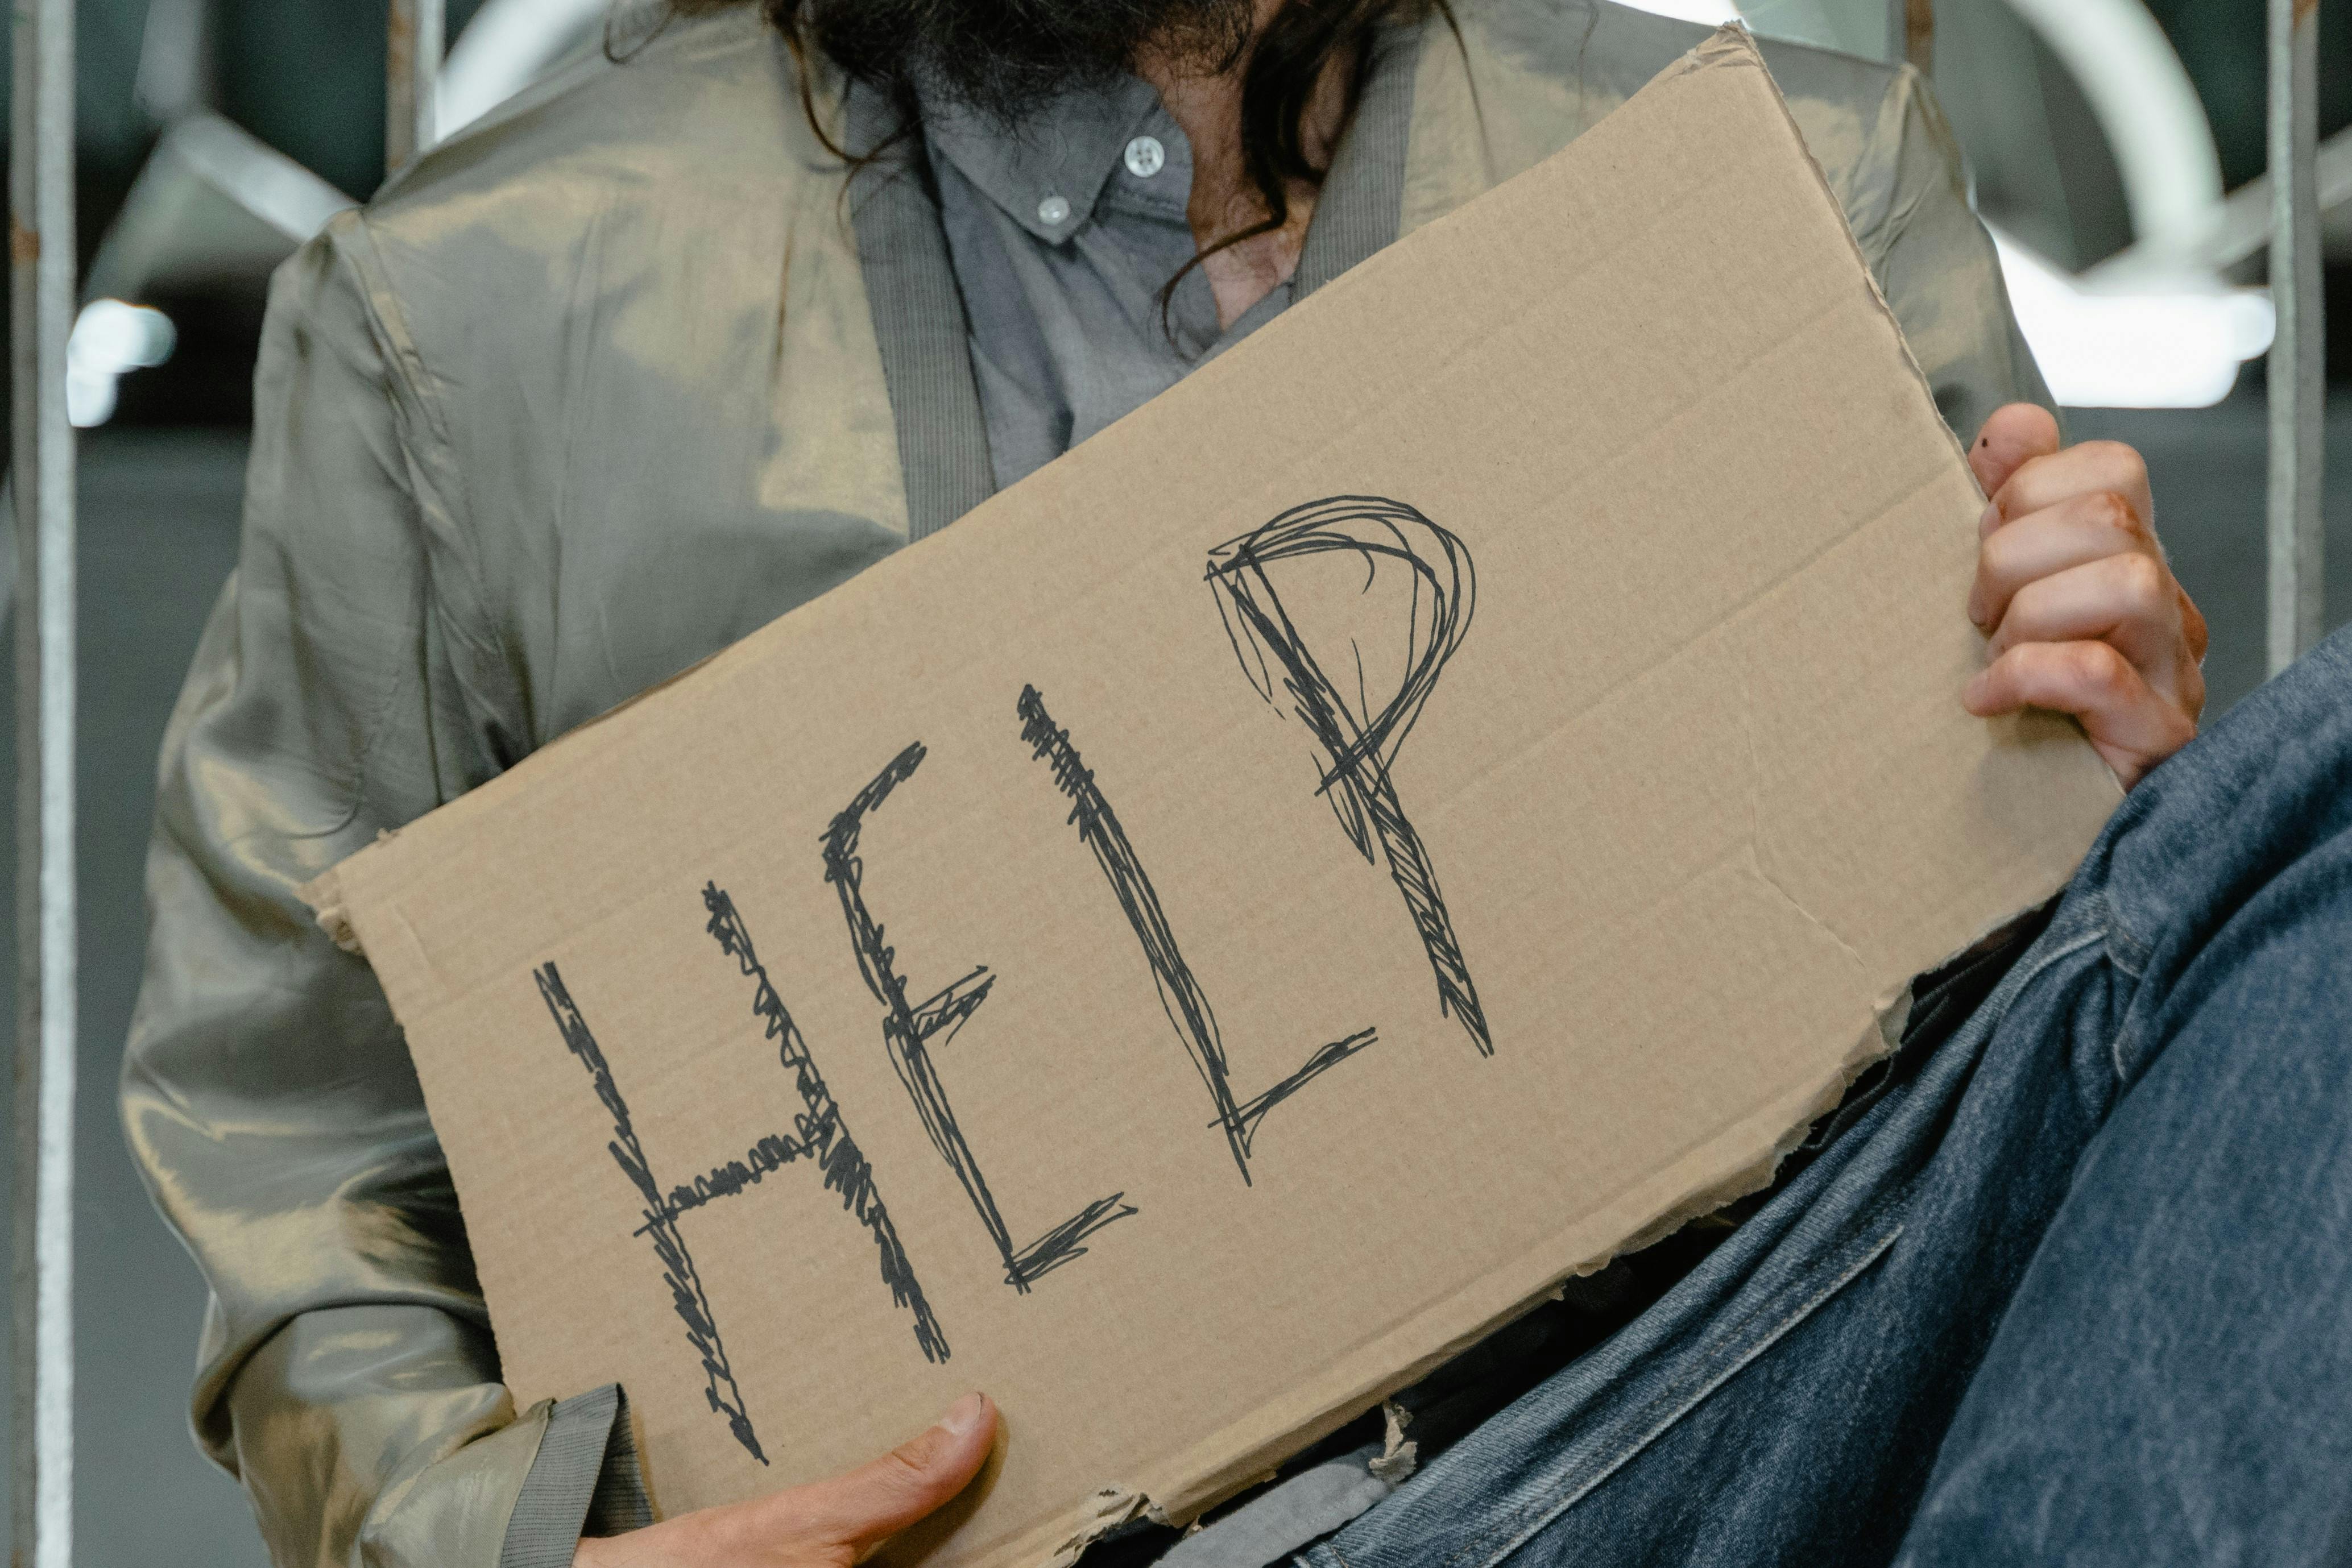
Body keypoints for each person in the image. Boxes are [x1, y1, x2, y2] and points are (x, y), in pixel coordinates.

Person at [121, 0, 2351, 1565]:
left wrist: (2120, 807)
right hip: (1002, 1539)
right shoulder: (466, 324)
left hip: (1709, 1449)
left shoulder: (1783, 180)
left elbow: (2025, 1107)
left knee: (2309, 806)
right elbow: (300, 1151)